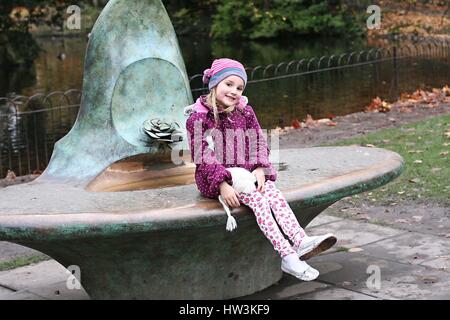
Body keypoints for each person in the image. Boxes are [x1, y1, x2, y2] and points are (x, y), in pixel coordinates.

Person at [184, 58, 336, 281]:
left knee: (272, 191)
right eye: (229, 84)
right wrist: (222, 185)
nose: (234, 91)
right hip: (215, 179)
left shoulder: (244, 112)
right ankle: (287, 256)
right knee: (259, 202)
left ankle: (300, 239)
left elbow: (257, 141)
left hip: (246, 172)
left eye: (239, 87)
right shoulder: (199, 118)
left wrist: (259, 167)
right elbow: (202, 155)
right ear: (214, 84)